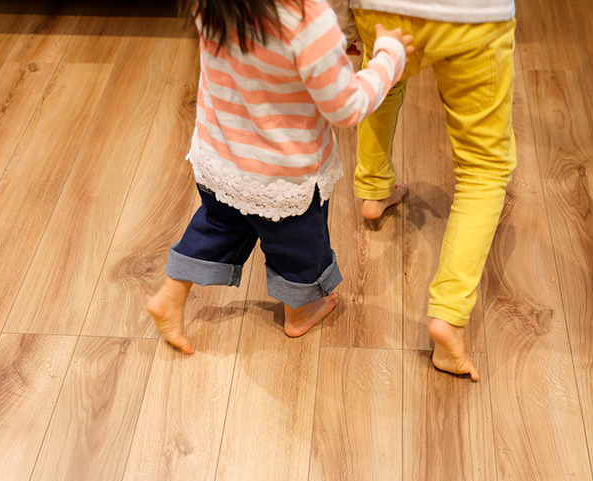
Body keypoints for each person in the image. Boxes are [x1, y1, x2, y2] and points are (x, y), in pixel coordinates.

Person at [148, 0, 414, 354]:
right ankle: (299, 312)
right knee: (299, 249)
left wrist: (328, 52)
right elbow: (348, 107)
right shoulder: (306, 17)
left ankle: (170, 295)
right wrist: (389, 56)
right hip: (283, 175)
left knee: (217, 227)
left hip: (222, 159)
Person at [342, 0, 516, 380]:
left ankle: (374, 187)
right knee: (483, 168)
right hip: (473, 17)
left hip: (380, 7)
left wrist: (344, 23)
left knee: (383, 78)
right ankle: (448, 316)